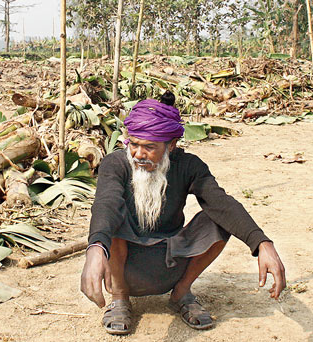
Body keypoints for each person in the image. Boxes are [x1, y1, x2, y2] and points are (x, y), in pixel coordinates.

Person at [80, 92, 286, 335]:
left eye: (149, 147)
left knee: (219, 220)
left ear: (172, 145)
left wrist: (262, 242)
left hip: (171, 261)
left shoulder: (189, 166)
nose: (137, 154)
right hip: (124, 266)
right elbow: (106, 203)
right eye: (133, 144)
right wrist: (96, 247)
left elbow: (221, 203)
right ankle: (120, 299)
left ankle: (181, 293)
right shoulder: (115, 164)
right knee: (113, 217)